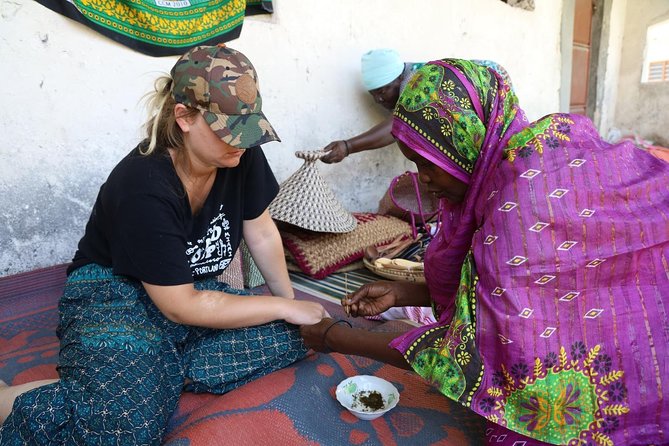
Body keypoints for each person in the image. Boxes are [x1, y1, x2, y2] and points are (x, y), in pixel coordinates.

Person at [302, 59, 669, 445]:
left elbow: (464, 354)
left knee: (527, 418)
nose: (423, 179)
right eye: (415, 163)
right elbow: (507, 289)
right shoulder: (531, 151)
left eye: (430, 162)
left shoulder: (521, 207)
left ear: (466, 139)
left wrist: (334, 336)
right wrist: (404, 293)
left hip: (645, 370)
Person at [0, 44, 327, 444]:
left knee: (293, 338)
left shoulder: (238, 156)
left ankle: (138, 374)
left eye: (247, 129)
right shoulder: (143, 185)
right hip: (114, 290)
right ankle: (18, 399)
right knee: (130, 430)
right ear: (184, 117)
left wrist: (290, 306)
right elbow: (181, 306)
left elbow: (260, 231)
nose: (240, 143)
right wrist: (280, 306)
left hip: (187, 290)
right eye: (228, 130)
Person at [320, 48, 513, 164]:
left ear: (398, 80)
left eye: (383, 91)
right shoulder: (407, 83)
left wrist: (347, 147)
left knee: (494, 151)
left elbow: (397, 126)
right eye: (374, 95)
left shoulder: (415, 82)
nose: (378, 100)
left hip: (493, 86)